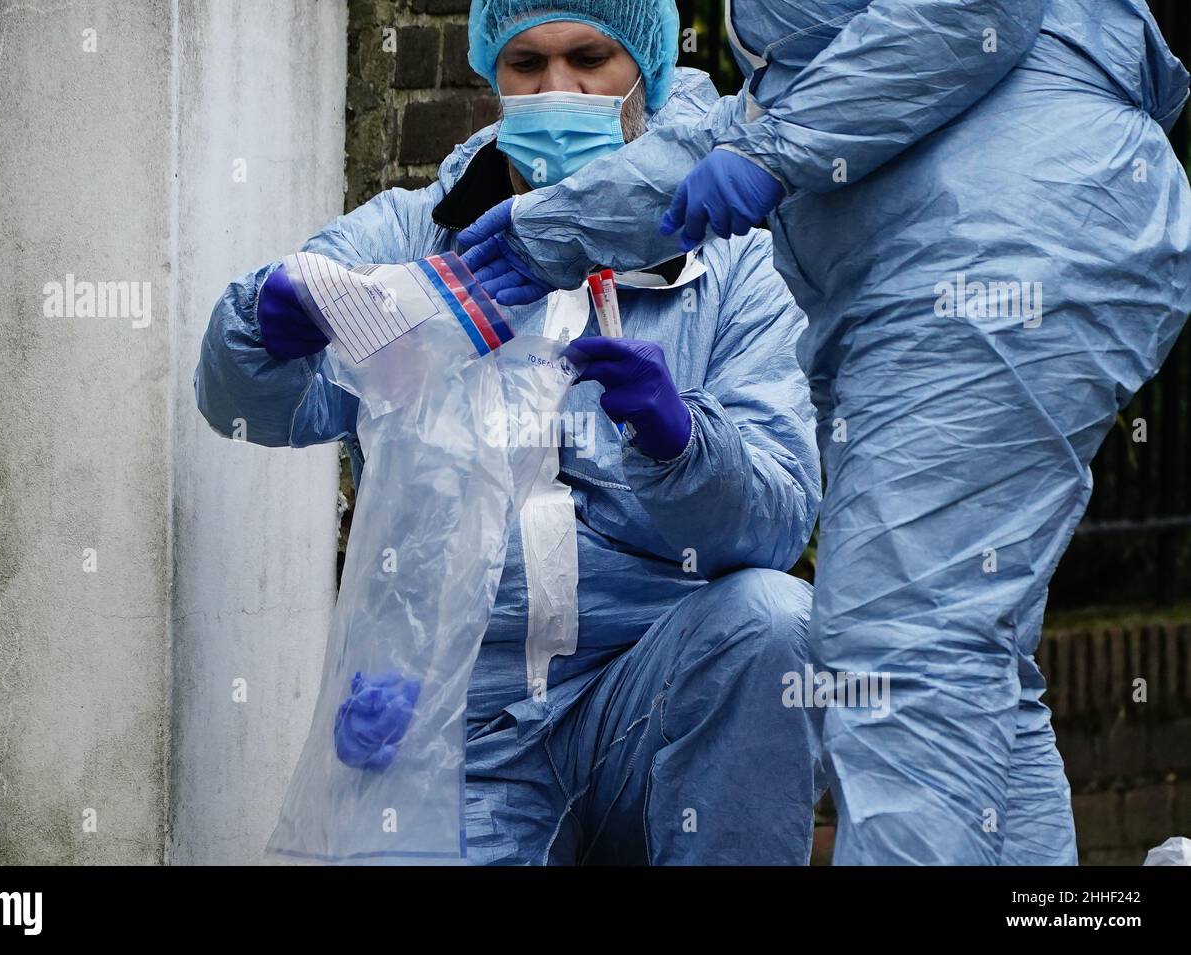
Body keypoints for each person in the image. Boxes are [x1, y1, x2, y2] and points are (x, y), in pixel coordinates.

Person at [459, 0, 1191, 865]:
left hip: (990, 255)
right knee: (965, 648)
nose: (557, 90)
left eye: (586, 55)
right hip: (949, 252)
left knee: (904, 656)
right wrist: (549, 231)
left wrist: (776, 153)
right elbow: (774, 108)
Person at [195, 0, 828, 864]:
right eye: (526, 63)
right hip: (460, 721)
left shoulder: (731, 255)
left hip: (647, 692)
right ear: (492, 71)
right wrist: (259, 327)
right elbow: (256, 404)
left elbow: (781, 514)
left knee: (775, 621)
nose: (556, 88)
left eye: (588, 57)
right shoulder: (422, 233)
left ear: (643, 60)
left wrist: (683, 446)